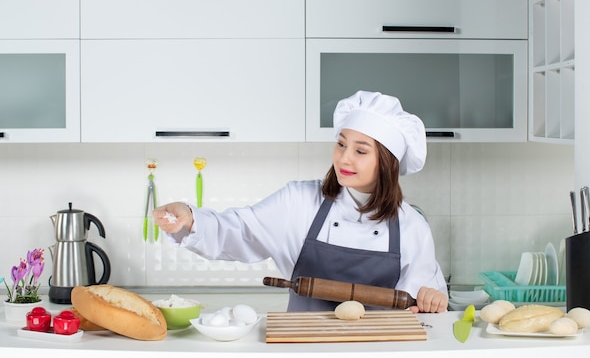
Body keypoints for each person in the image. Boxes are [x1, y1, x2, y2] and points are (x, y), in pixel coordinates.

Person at [153, 90, 448, 313]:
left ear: (387, 163)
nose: (344, 158)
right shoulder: (299, 202)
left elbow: (420, 303)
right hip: (302, 347)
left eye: (360, 151)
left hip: (378, 352)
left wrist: (431, 302)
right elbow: (241, 230)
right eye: (341, 143)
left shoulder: (412, 226)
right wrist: (191, 218)